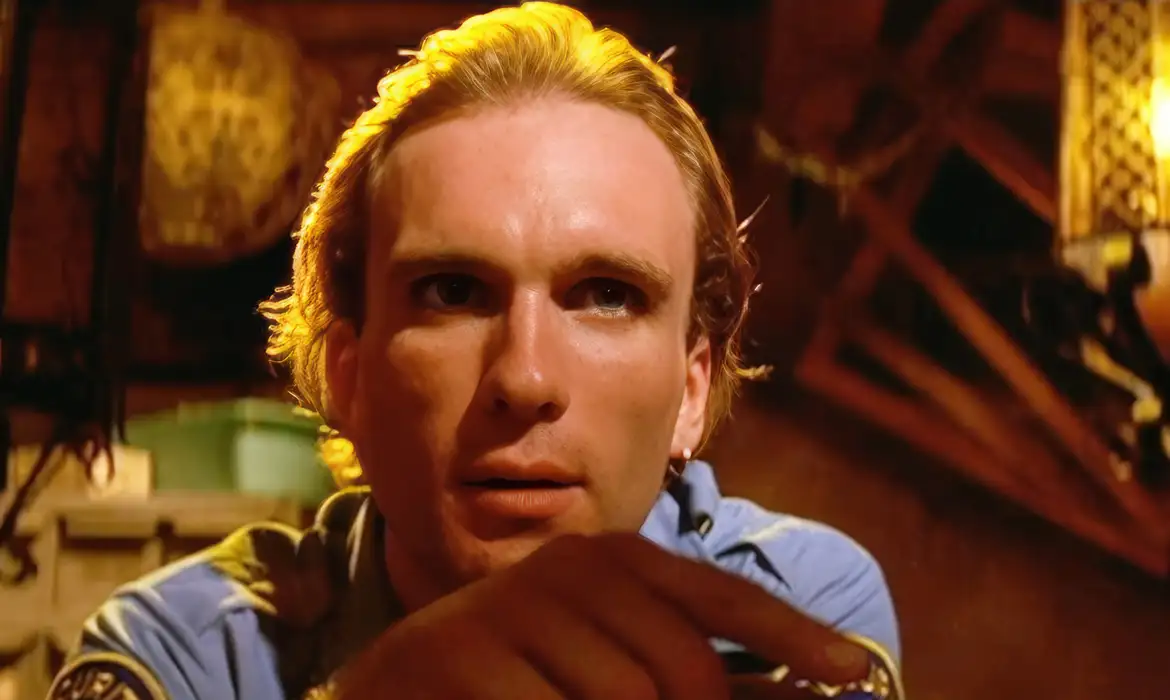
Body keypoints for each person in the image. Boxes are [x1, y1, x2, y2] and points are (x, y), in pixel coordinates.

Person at [46, 3, 902, 699]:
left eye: (608, 296)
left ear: (691, 390)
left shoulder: (792, 609)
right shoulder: (178, 658)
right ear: (350, 376)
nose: (524, 378)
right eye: (453, 293)